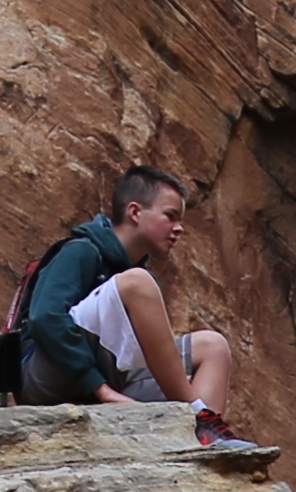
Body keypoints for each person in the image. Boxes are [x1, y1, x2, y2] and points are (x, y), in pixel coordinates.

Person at [15, 166, 266, 454]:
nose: (179, 228)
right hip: (44, 379)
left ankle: (203, 446)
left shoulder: (138, 276)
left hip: (106, 377)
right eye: (170, 216)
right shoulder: (83, 250)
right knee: (138, 283)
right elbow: (45, 318)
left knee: (213, 347)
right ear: (135, 212)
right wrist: (101, 389)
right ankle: (200, 419)